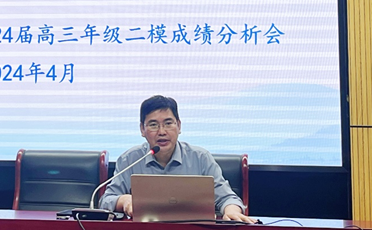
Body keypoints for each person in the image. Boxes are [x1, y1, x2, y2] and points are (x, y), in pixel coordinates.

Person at [98, 95, 256, 223]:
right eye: (153, 125)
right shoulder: (130, 159)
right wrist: (124, 200)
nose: (162, 131)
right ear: (142, 130)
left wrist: (231, 211)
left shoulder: (200, 158)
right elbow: (106, 200)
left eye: (168, 123)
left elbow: (228, 198)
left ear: (179, 126)